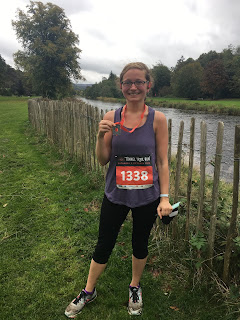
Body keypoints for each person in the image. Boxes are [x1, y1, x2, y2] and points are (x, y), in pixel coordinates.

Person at [65, 62, 172, 318]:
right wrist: (100, 137)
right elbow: (103, 160)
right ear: (121, 86)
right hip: (116, 194)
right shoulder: (111, 117)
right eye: (128, 82)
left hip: (147, 196)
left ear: (148, 85)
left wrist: (165, 197)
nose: (133, 87)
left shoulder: (158, 119)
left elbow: (162, 161)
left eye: (139, 82)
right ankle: (89, 290)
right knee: (104, 243)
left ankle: (135, 287)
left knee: (140, 243)